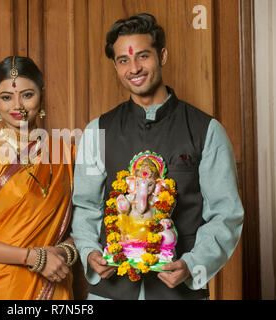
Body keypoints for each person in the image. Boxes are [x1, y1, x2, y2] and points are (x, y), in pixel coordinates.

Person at [71, 13, 244, 300]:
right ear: (115, 65)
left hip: (179, 292)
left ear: (162, 55)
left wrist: (192, 264)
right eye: (123, 60)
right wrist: (89, 251)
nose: (134, 68)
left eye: (143, 56)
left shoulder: (206, 130)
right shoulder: (97, 130)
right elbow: (86, 206)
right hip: (110, 291)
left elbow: (226, 214)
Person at [0, 56, 77, 300]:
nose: (17, 105)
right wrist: (34, 258)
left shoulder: (66, 154)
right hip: (2, 284)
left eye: (27, 95)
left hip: (55, 278)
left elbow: (87, 222)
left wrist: (64, 252)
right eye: (6, 97)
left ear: (41, 96)